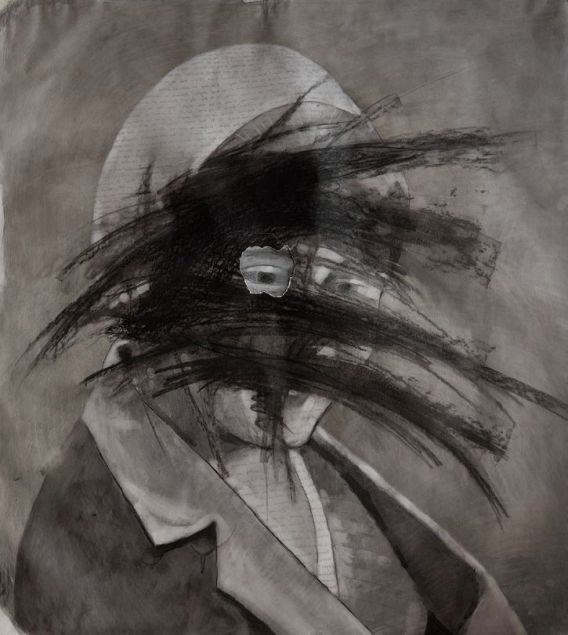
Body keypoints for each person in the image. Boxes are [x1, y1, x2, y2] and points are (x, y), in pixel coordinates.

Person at [14, 44, 537, 634]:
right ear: (149, 289)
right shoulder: (92, 550)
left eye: (345, 285)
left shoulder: (334, 484)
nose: (319, 342)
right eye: (266, 278)